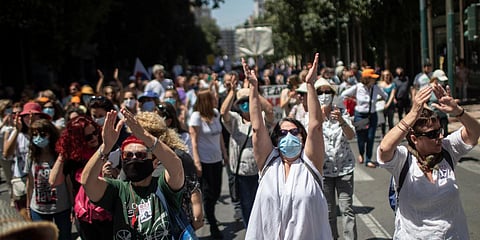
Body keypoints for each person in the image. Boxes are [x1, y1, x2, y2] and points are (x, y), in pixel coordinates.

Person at [376, 82, 480, 239]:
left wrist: (458, 111)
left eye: (439, 131)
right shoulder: (403, 159)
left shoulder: (447, 149)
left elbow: (474, 133)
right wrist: (413, 113)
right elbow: (384, 149)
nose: (440, 137)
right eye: (432, 134)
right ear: (414, 139)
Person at [245, 53, 332, 239]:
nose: (289, 136)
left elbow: (315, 126)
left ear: (302, 137)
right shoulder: (269, 163)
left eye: (294, 132)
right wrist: (253, 88)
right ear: (276, 139)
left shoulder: (310, 164)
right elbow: (257, 127)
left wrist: (310, 85)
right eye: (283, 133)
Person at [80, 109, 185, 239]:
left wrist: (144, 135)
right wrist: (106, 147)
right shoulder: (118, 190)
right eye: (128, 155)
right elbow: (87, 182)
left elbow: (176, 168)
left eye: (140, 155)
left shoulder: (162, 186)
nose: (133, 159)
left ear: (154, 162)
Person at [135, 111, 204, 230]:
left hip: (177, 223)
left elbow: (193, 188)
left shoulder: (178, 156)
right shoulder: (136, 159)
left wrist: (197, 218)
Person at [49, 116, 113, 240]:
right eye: (88, 137)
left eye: (95, 133)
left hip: (109, 212)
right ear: (78, 139)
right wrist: (63, 152)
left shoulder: (106, 149)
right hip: (85, 216)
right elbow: (53, 181)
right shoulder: (73, 158)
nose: (94, 138)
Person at [220, 84, 274, 227]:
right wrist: (232, 92)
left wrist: (254, 92)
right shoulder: (234, 120)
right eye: (242, 102)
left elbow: (269, 110)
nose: (245, 104)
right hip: (241, 172)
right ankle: (250, 230)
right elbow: (223, 112)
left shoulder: (261, 118)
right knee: (246, 204)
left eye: (248, 101)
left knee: (262, 203)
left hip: (260, 171)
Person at [317, 78, 357, 240]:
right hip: (324, 171)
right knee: (328, 212)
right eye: (320, 92)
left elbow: (351, 135)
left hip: (344, 169)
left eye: (328, 92)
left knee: (347, 209)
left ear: (333, 94)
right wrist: (318, 117)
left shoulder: (341, 111)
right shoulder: (311, 115)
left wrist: (341, 120)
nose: (324, 95)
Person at [189, 89, 228, 239]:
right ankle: (212, 223)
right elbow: (194, 141)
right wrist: (197, 161)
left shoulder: (216, 114)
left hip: (216, 159)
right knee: (208, 192)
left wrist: (224, 154)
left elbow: (219, 138)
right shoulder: (196, 117)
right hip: (204, 161)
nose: (216, 100)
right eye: (213, 98)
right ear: (206, 100)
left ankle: (211, 215)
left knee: (217, 190)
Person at [25, 119, 72, 240]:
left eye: (42, 134)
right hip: (38, 209)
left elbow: (68, 182)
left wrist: (73, 205)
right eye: (34, 135)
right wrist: (28, 207)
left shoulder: (60, 155)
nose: (38, 138)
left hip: (62, 207)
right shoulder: (31, 155)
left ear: (50, 134)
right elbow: (30, 183)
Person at [341, 68, 387, 168]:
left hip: (372, 115)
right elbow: (343, 95)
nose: (374, 80)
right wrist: (352, 100)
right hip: (360, 115)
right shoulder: (358, 87)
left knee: (370, 138)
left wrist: (378, 100)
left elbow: (385, 95)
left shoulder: (376, 88)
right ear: (367, 79)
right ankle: (361, 153)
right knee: (361, 138)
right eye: (372, 78)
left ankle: (368, 159)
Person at [378, 70, 397, 136]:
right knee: (382, 122)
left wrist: (387, 104)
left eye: (388, 75)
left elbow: (392, 95)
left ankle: (391, 136)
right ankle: (383, 135)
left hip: (390, 105)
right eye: (385, 75)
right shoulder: (380, 84)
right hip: (381, 106)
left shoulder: (393, 85)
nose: (386, 76)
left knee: (390, 122)